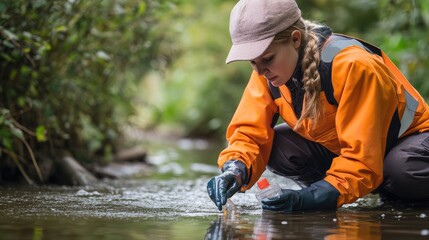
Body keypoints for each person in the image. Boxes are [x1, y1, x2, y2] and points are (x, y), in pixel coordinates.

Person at [207, 0, 429, 212]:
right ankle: (342, 190)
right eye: (253, 62)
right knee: (281, 147)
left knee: (402, 170)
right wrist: (235, 170)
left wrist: (311, 198)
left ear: (295, 39)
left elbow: (362, 157)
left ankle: (379, 190)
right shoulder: (268, 74)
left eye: (267, 59)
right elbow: (249, 132)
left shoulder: (354, 66)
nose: (260, 71)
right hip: (358, 152)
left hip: (411, 143)